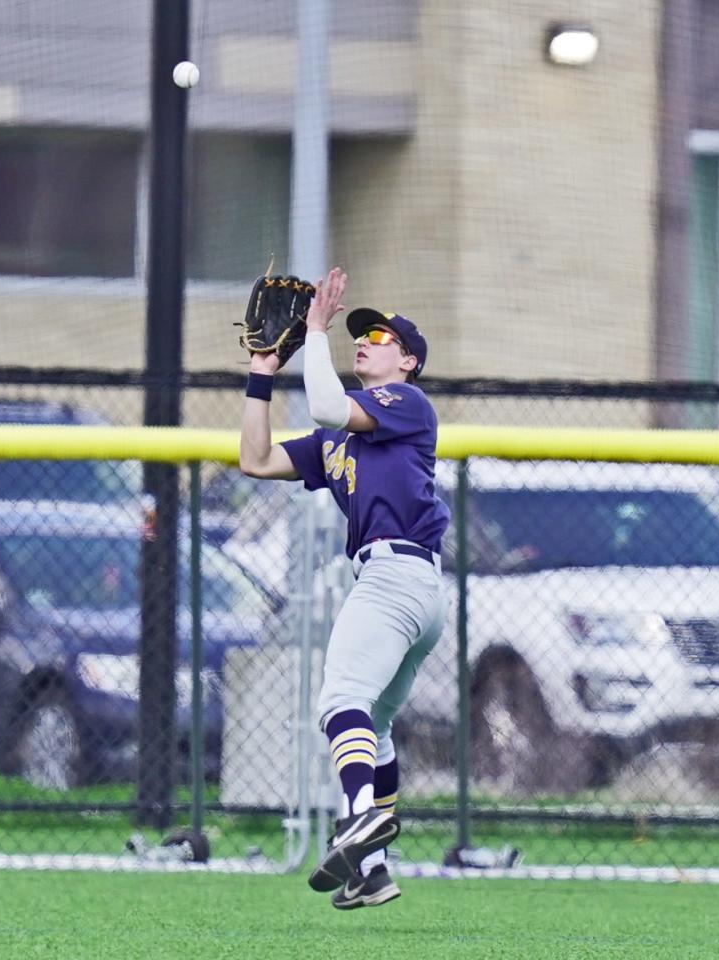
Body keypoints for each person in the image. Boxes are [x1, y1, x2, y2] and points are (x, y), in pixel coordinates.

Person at [239, 267, 450, 910]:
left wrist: (317, 330)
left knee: (339, 703)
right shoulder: (339, 440)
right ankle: (374, 869)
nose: (366, 342)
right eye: (361, 335)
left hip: (395, 577)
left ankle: (361, 818)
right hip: (411, 589)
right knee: (374, 725)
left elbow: (331, 403)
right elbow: (256, 459)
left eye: (380, 336)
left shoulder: (405, 404)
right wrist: (262, 374)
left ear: (407, 361)